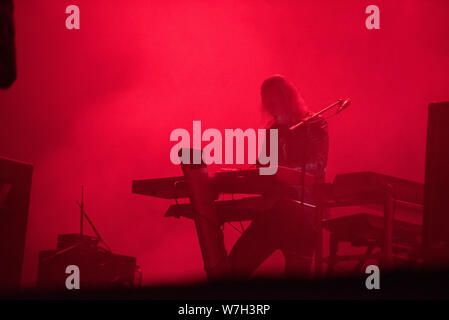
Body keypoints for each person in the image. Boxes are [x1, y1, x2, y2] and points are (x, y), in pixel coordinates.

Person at [227, 75, 329, 279]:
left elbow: (318, 167)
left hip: (303, 214)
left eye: (273, 101)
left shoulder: (314, 124)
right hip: (273, 211)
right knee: (233, 268)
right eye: (266, 102)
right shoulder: (273, 130)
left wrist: (282, 170)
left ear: (288, 99)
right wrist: (247, 174)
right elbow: (264, 167)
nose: (269, 107)